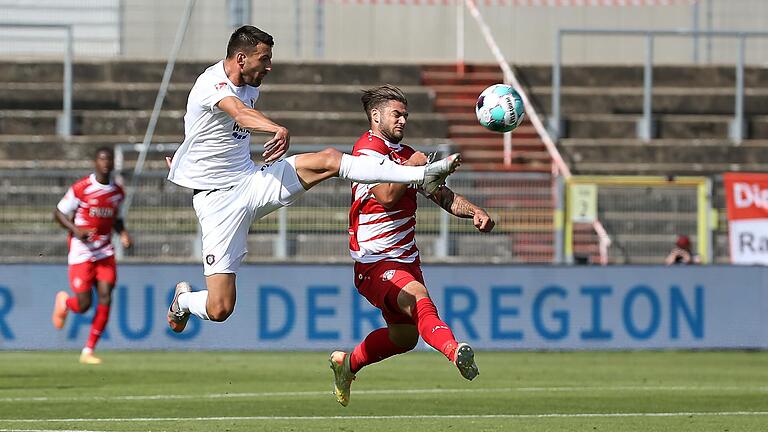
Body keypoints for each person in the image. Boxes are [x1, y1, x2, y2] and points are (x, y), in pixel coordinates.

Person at [165, 26, 461, 333]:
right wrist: (275, 128)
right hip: (217, 203)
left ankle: (418, 173)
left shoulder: (249, 83)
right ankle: (183, 301)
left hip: (250, 182)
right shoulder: (212, 82)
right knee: (220, 307)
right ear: (240, 59)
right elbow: (238, 113)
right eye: (263, 59)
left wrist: (188, 159)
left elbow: (206, 133)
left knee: (330, 159)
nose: (268, 67)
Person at [328, 85, 495, 407]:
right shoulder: (367, 151)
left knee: (404, 338)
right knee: (419, 298)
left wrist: (475, 211)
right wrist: (414, 167)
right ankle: (455, 350)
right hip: (375, 262)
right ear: (376, 117)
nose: (403, 120)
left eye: (405, 115)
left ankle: (346, 364)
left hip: (405, 260)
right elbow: (386, 195)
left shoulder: (407, 156)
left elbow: (441, 194)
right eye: (397, 114)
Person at [51, 147, 132, 365]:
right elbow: (58, 212)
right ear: (95, 162)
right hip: (81, 250)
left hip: (105, 251)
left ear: (113, 163)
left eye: (109, 160)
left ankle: (88, 350)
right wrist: (76, 230)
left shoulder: (118, 193)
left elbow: (116, 218)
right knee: (84, 304)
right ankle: (66, 303)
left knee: (106, 295)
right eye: (102, 159)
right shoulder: (82, 188)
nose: (106, 163)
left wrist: (123, 234)